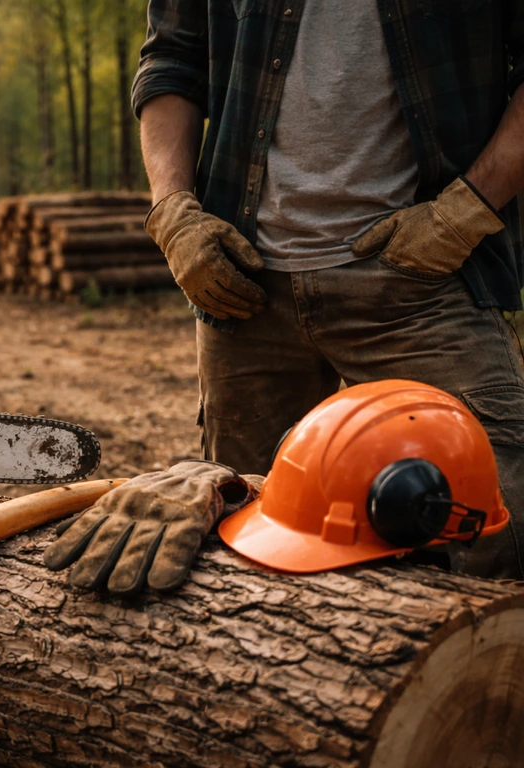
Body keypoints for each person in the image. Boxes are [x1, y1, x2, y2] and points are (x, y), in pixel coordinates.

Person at [46, 2, 524, 588]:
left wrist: (468, 210)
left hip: (428, 275)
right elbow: (172, 60)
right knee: (243, 551)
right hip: (243, 287)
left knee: (500, 536)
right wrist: (171, 213)